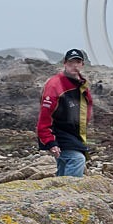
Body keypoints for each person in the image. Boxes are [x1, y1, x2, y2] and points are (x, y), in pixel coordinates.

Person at [36, 48, 93, 177]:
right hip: (58, 133)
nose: (74, 65)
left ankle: (58, 191)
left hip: (73, 133)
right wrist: (50, 141)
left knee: (64, 165)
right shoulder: (55, 85)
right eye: (71, 62)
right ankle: (70, 193)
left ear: (82, 64)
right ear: (65, 63)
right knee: (77, 159)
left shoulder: (81, 84)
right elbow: (45, 116)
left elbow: (86, 107)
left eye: (77, 62)